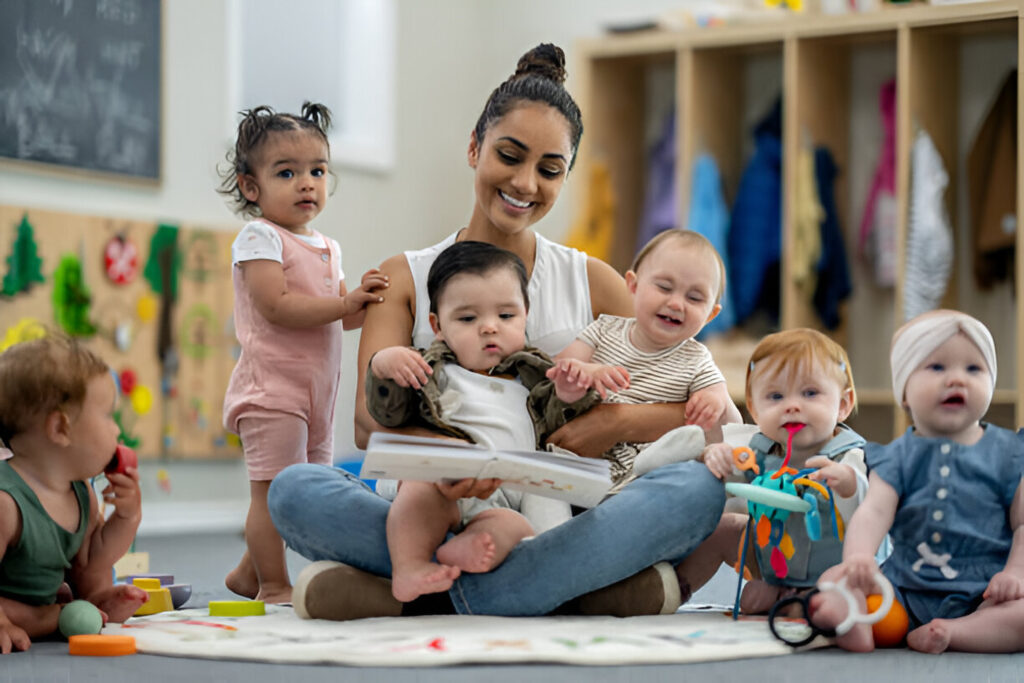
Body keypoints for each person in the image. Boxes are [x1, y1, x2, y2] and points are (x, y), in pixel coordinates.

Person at [268, 43, 726, 621]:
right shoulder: (403, 276)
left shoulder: (594, 281)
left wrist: (616, 422)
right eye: (509, 156)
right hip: (435, 499)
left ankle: (419, 592)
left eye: (550, 169)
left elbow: (695, 396)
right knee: (295, 490)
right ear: (473, 148)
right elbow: (366, 421)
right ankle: (563, 590)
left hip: (553, 511)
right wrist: (456, 466)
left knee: (696, 492)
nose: (525, 183)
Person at [217, 102, 388, 604]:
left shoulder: (327, 246)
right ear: (252, 188)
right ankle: (272, 583)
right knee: (271, 491)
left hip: (319, 396)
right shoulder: (259, 237)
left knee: (303, 493)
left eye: (317, 170)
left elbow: (340, 316)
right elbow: (278, 306)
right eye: (286, 173)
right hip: (272, 390)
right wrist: (342, 302)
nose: (307, 183)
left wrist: (366, 299)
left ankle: (249, 571)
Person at [370, 241, 600, 602]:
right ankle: (410, 565)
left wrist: (570, 394)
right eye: (467, 319)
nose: (489, 328)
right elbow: (390, 411)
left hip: (504, 498)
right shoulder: (432, 369)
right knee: (417, 489)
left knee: (516, 529)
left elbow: (561, 424)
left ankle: (467, 548)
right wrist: (383, 365)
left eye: (506, 317)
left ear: (526, 314)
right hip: (443, 483)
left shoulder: (535, 377)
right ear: (438, 326)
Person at [812, 310, 1024, 654]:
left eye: (974, 369)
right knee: (832, 578)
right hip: (903, 588)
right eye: (936, 367)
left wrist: (1015, 573)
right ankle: (854, 620)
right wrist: (860, 558)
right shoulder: (897, 456)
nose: (957, 379)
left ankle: (955, 631)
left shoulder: (1010, 454)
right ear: (905, 392)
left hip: (986, 594)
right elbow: (874, 512)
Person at [548, 229, 741, 491]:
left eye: (694, 298)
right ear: (633, 285)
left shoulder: (696, 358)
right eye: (664, 287)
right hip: (583, 464)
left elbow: (726, 415)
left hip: (647, 475)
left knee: (690, 466)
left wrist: (712, 401)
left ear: (710, 315)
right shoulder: (604, 329)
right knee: (543, 491)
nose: (676, 303)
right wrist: (582, 375)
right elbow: (560, 372)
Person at [695, 328, 868, 615]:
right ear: (754, 408)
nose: (791, 406)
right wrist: (714, 455)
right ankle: (673, 589)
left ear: (843, 404)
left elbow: (874, 509)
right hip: (775, 560)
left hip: (835, 572)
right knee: (722, 529)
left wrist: (849, 484)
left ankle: (802, 599)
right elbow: (721, 469)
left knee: (823, 605)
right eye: (775, 396)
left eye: (810, 393)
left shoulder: (850, 456)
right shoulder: (759, 448)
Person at [0, 336, 147, 653]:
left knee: (79, 590)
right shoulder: (6, 501)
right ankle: (55, 617)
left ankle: (76, 611)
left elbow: (91, 564)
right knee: (30, 609)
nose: (117, 431)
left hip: (43, 601)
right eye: (108, 416)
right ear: (60, 429)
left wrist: (127, 516)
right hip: (7, 604)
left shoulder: (81, 493)